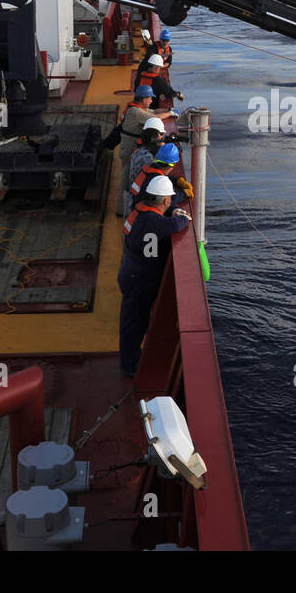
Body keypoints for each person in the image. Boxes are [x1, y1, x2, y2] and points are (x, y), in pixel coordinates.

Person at [118, 174, 190, 376]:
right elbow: (177, 225)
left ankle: (131, 360)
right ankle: (129, 366)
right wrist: (181, 214)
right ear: (166, 200)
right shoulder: (153, 221)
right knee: (133, 324)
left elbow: (162, 220)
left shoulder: (140, 210)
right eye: (170, 200)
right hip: (138, 279)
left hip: (131, 271)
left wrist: (172, 212)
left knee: (133, 321)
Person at [116, 85, 176, 215]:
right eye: (149, 98)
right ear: (143, 99)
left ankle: (124, 208)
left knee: (128, 177)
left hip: (130, 144)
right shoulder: (135, 112)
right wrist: (170, 114)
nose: (151, 101)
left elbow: (154, 112)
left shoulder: (140, 109)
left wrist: (167, 109)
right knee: (125, 178)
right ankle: (121, 210)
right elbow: (154, 118)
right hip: (128, 145)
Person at [127, 142, 193, 211]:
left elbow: (159, 176)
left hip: (135, 207)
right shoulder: (156, 179)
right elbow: (167, 199)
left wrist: (177, 181)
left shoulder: (149, 168)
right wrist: (184, 194)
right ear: (174, 164)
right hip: (144, 213)